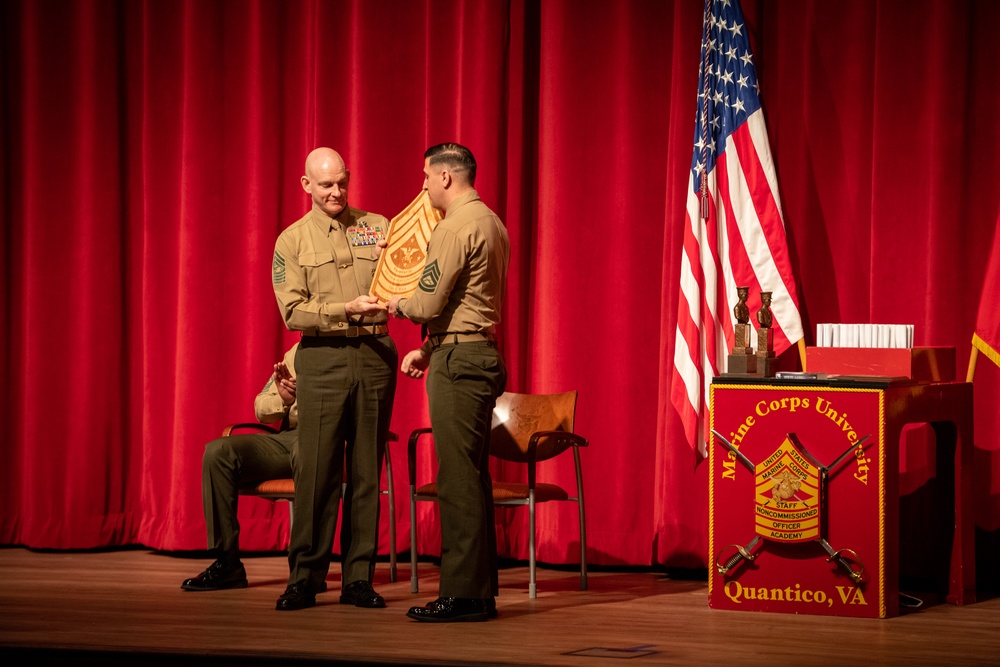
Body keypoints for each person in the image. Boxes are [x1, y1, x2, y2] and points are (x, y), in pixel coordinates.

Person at [271, 147, 397, 611]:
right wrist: (343, 309)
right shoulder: (292, 241)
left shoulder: (377, 226)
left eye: (341, 182)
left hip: (374, 354)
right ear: (307, 186)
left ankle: (359, 578)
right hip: (322, 357)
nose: (336, 192)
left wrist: (399, 266)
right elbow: (292, 311)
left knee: (366, 472)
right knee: (318, 472)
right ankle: (305, 576)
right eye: (325, 185)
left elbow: (405, 277)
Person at [387, 143, 509, 623]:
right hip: (473, 352)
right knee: (472, 477)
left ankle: (461, 595)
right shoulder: (491, 221)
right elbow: (467, 301)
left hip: (461, 363)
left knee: (458, 479)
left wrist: (391, 302)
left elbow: (426, 302)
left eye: (424, 177)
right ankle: (477, 592)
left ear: (444, 178)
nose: (421, 186)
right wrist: (430, 347)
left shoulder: (454, 226)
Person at [181, 345, 300, 592]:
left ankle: (307, 570)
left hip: (327, 438)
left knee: (309, 452)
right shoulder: (296, 353)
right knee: (219, 452)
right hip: (288, 439)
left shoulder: (347, 351)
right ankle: (227, 562)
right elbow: (261, 406)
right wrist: (283, 398)